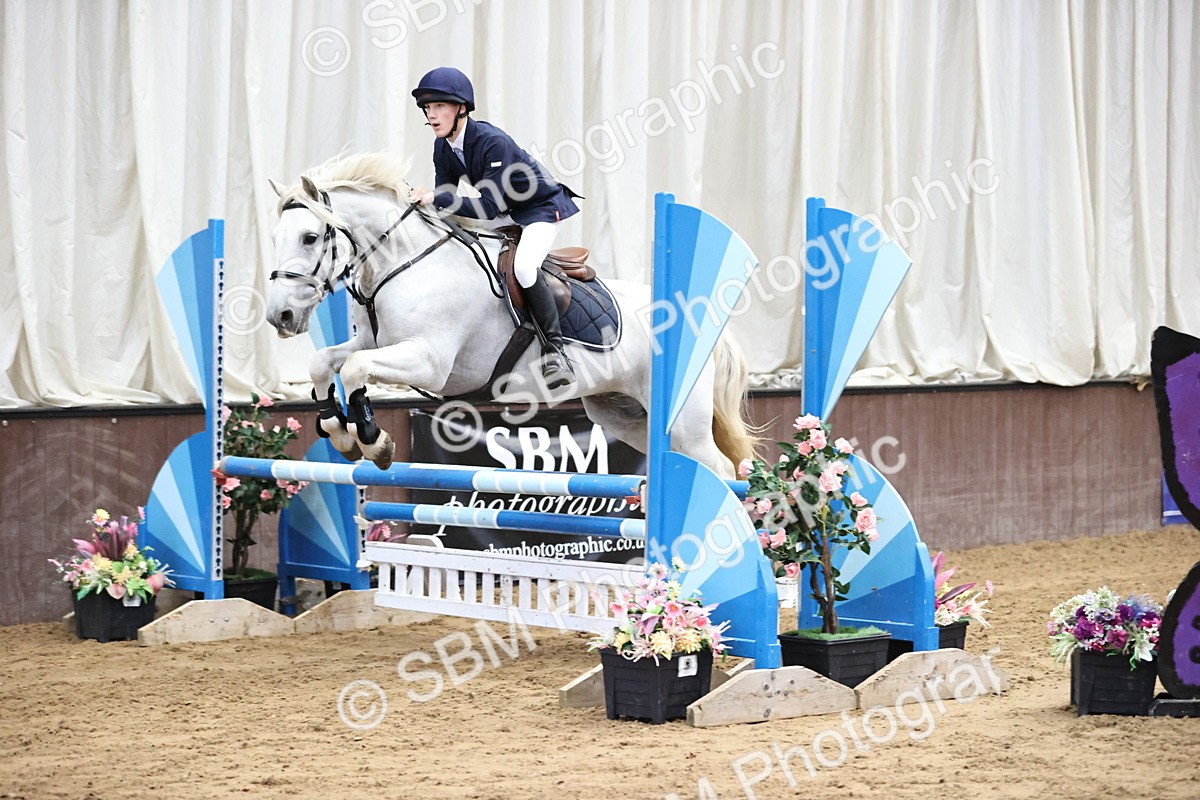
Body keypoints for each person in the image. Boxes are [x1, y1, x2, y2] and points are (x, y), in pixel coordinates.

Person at [408, 66, 580, 390]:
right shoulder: (442, 146)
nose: (432, 115)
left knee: (526, 268)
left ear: (461, 109)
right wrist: (423, 202)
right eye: (428, 108)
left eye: (440, 107)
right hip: (507, 212)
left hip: (540, 209)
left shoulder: (491, 142)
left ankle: (556, 351)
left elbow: (487, 207)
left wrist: (436, 199)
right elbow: (446, 195)